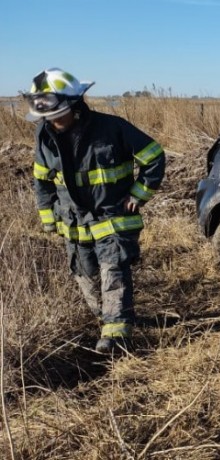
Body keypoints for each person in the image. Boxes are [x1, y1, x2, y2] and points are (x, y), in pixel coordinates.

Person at [23, 68, 166, 355]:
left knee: (113, 271)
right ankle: (109, 320)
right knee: (86, 276)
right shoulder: (44, 135)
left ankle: (117, 340)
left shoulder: (112, 128)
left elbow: (154, 157)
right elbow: (42, 179)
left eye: (56, 115)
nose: (52, 122)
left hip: (113, 217)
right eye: (46, 118)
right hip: (74, 224)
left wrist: (139, 194)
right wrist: (48, 218)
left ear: (75, 107)